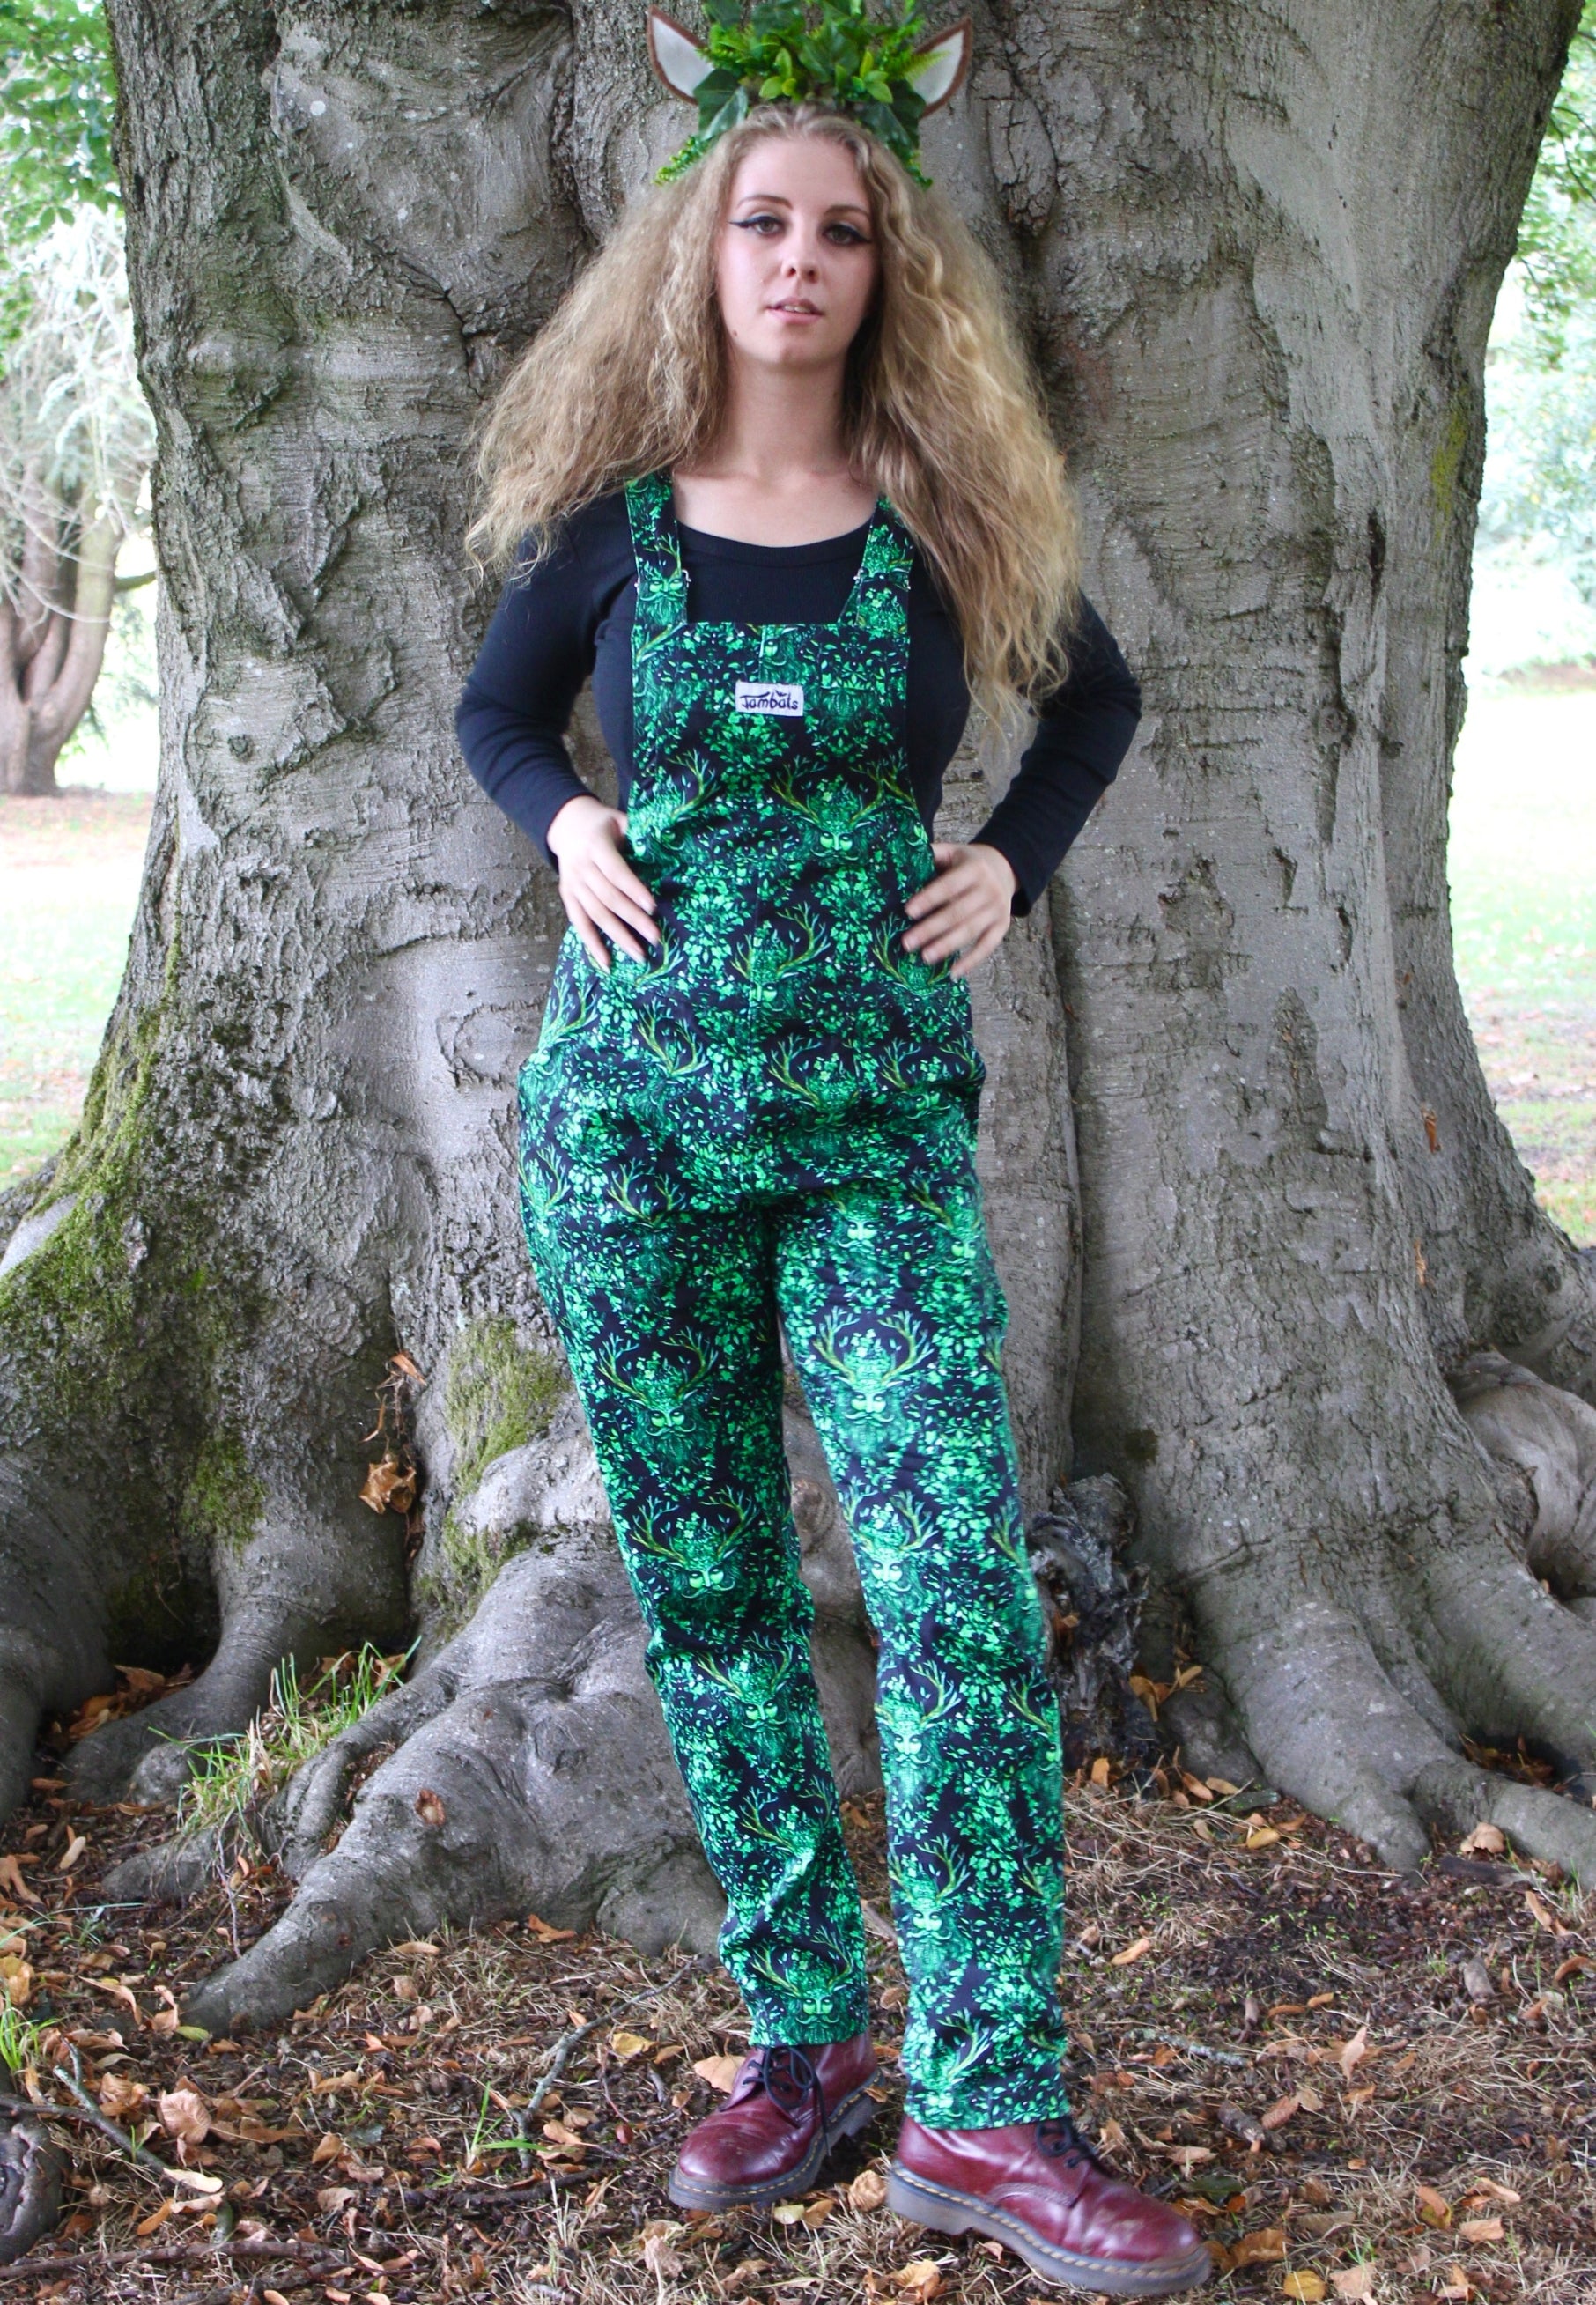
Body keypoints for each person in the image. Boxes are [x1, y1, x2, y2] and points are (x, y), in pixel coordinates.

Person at [455, 14, 1208, 2294]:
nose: (796, 258)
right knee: (706, 1603)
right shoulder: (606, 533)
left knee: (957, 1597)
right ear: (701, 249)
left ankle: (987, 2096)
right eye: (761, 221)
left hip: (875, 1137)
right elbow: (491, 710)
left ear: (890, 267)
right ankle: (807, 2042)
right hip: (631, 1148)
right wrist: (567, 811)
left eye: (839, 228)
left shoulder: (938, 516)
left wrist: (1012, 862)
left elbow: (1089, 701)